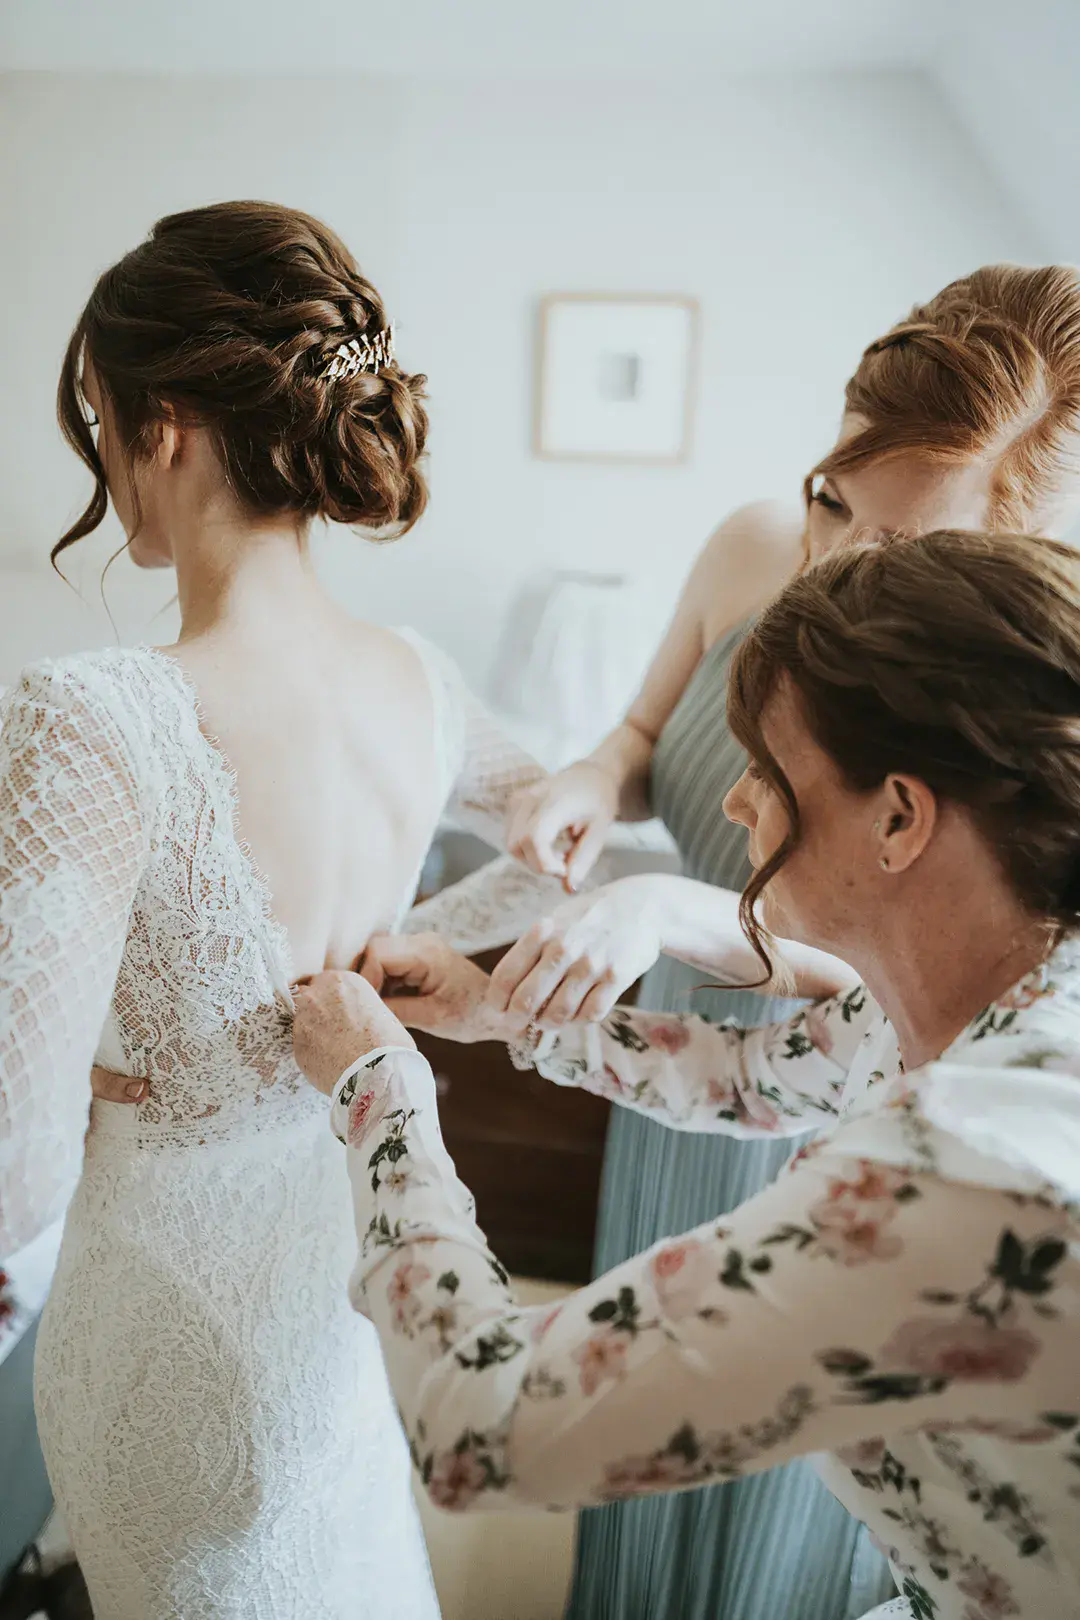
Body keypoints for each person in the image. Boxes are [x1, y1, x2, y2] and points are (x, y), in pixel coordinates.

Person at [293, 529, 1080, 1620]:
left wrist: (380, 1095)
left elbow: (485, 1430)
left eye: (769, 768)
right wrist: (492, 1013)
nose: (733, 804)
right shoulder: (1025, 990)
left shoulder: (967, 1167)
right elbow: (763, 1078)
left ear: (899, 816)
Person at [481, 266, 1080, 1619]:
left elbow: (926, 967)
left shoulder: (1008, 722)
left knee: (796, 1483)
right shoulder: (757, 542)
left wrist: (686, 909)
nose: (851, 569)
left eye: (911, 546)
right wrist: (592, 782)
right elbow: (641, 740)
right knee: (623, 1433)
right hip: (684, 1065)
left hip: (852, 1086)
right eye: (843, 504)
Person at [0, 201, 546, 1619]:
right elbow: (559, 843)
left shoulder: (99, 718)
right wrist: (401, 958)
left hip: (162, 1342)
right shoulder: (415, 679)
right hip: (335, 1296)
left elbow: (12, 1170)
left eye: (104, 425)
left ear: (163, 425)